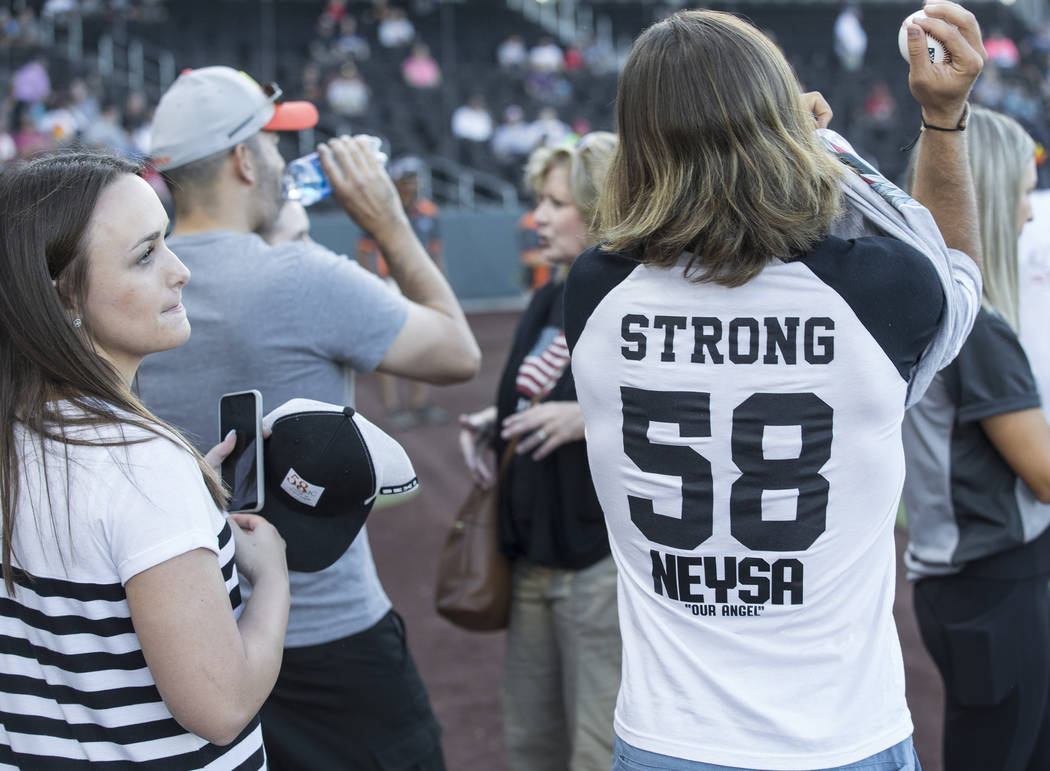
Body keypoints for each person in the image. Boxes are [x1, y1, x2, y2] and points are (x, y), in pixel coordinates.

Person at [564, 4, 986, 769]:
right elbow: (954, 267)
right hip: (844, 737)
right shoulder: (881, 295)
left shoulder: (593, 292)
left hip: (667, 734)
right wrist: (918, 125)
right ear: (778, 125)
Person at [137, 66, 480, 770]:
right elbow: (457, 351)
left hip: (186, 646)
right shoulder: (299, 275)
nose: (283, 161)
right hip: (329, 636)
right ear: (243, 160)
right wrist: (387, 220)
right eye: (273, 144)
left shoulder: (136, 285)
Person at [0, 151, 289, 766]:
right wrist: (274, 582)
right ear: (63, 299)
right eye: (146, 255)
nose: (179, 271)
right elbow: (222, 706)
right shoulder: (145, 468)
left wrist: (179, 519)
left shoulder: (21, 434)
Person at [459, 131, 621, 771]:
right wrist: (498, 417)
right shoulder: (550, 293)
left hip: (597, 568)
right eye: (540, 201)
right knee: (532, 747)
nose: (540, 217)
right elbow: (542, 390)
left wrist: (594, 416)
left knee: (596, 752)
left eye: (558, 202)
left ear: (604, 209)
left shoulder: (634, 301)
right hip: (531, 559)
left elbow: (693, 415)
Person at [901, 107, 1048, 770]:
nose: (1028, 215)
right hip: (991, 585)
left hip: (967, 581)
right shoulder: (978, 328)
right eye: (1021, 195)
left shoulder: (944, 311)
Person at [357, 155, 446, 429]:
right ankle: (392, 407)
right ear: (395, 181)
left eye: (415, 178)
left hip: (420, 283)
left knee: (424, 345)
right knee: (390, 347)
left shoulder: (429, 212)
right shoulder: (380, 210)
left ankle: (419, 402)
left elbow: (436, 252)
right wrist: (374, 288)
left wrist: (440, 286)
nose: (413, 184)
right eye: (407, 179)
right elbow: (363, 251)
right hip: (389, 283)